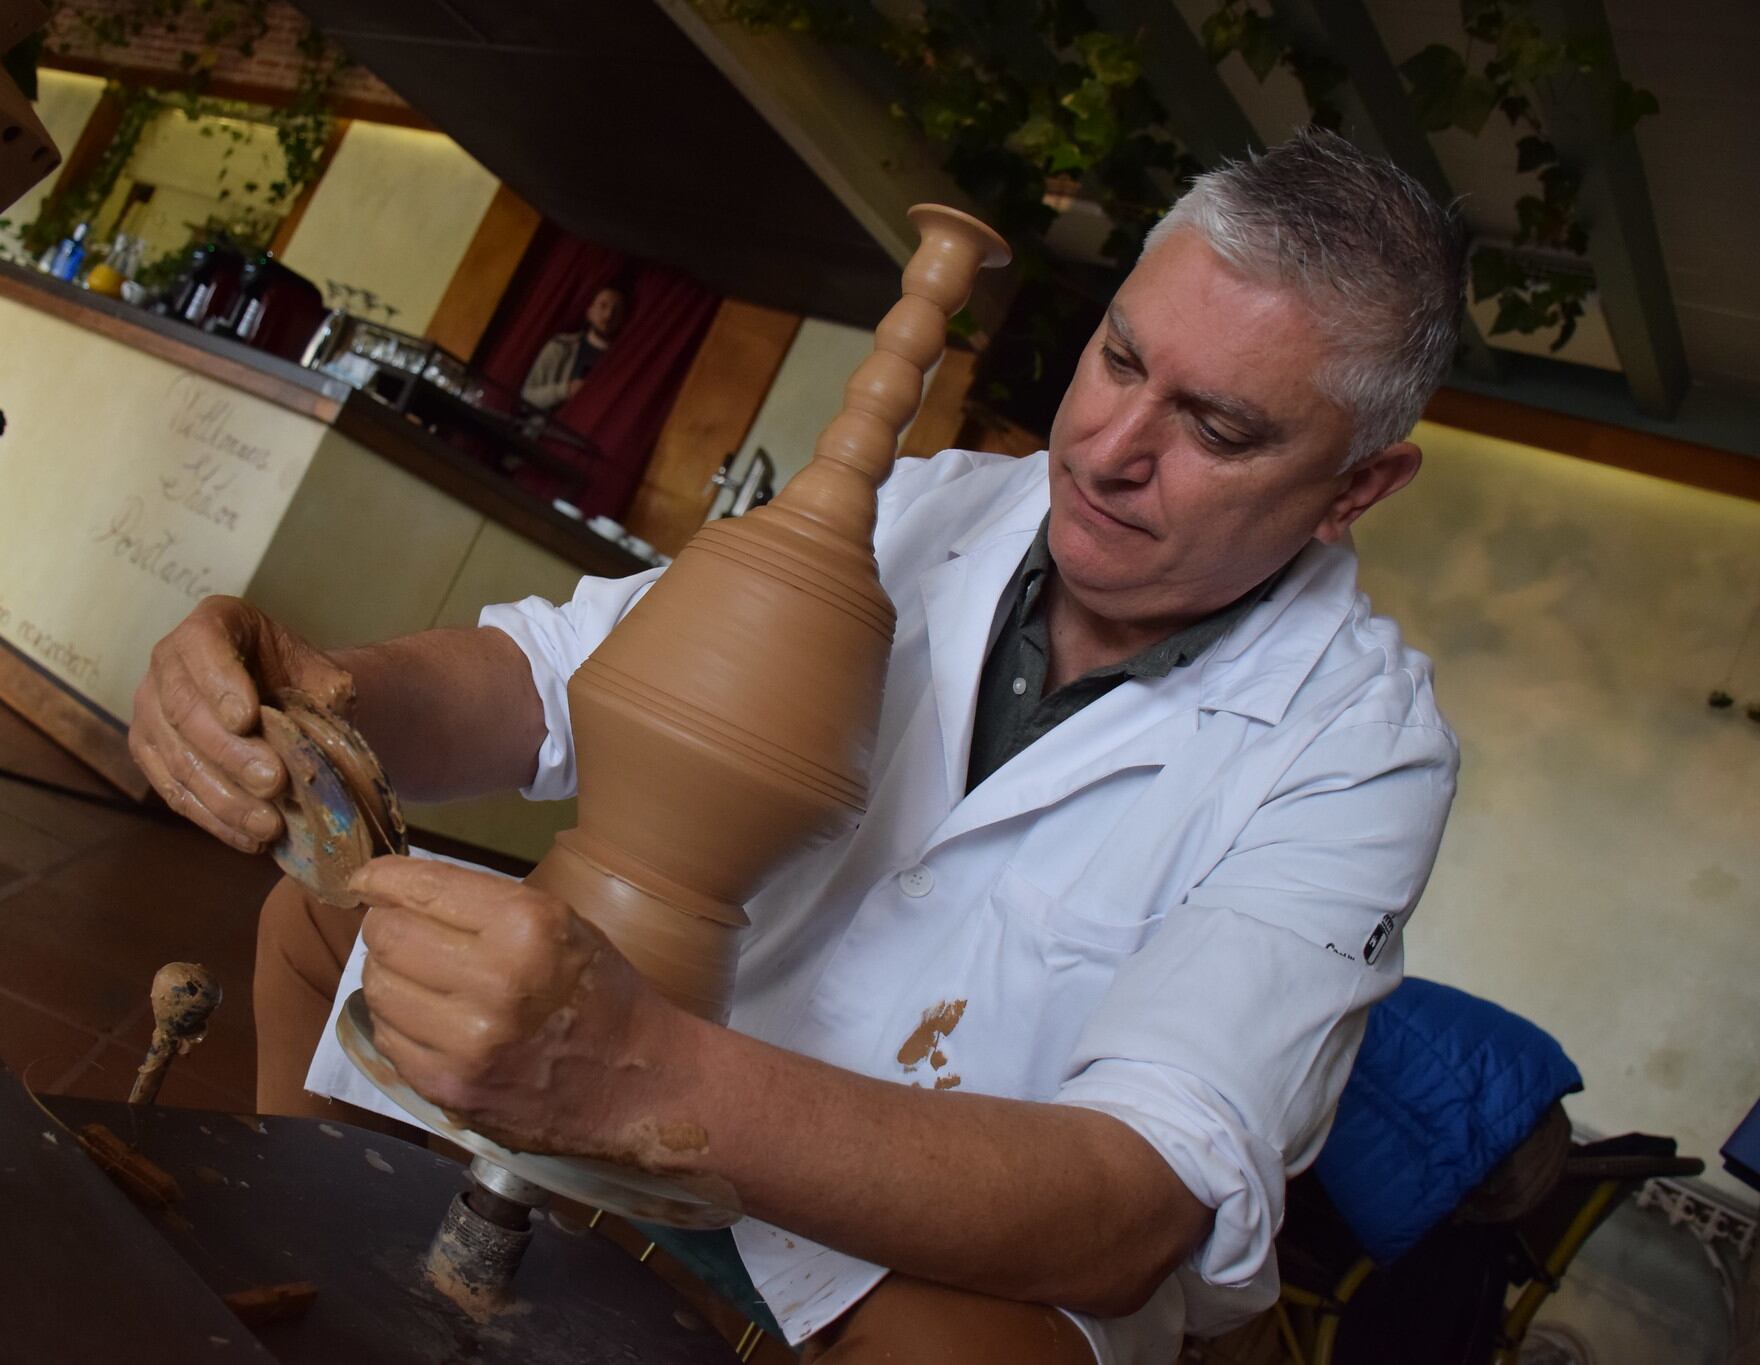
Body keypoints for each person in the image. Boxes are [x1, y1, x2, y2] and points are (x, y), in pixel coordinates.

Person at [129, 128, 1467, 1364]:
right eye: (1119, 360)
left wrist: (647, 1077)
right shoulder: (928, 509)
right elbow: (550, 679)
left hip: (887, 1224)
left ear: (1357, 487)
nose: (1108, 449)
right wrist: (326, 689)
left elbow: (1134, 1204)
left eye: (1216, 428)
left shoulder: (1357, 750)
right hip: (640, 1059)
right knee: (318, 934)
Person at [518, 284, 626, 413]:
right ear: (589, 311)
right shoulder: (561, 346)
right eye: (603, 306)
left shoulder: (620, 362)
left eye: (616, 310)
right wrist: (566, 390)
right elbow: (527, 398)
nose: (608, 315)